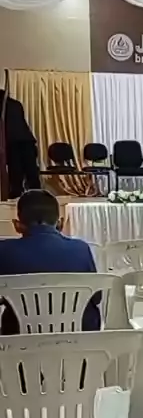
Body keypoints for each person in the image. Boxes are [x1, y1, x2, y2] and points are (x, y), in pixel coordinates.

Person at [0, 189, 100, 334]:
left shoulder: (4, 250)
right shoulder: (81, 248)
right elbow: (96, 297)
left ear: (17, 225)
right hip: (78, 335)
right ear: (60, 224)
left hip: (20, 337)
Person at [0, 90, 41, 198]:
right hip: (26, 139)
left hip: (12, 140)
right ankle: (36, 191)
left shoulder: (3, 106)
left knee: (15, 168)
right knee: (30, 168)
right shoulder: (16, 104)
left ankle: (17, 191)